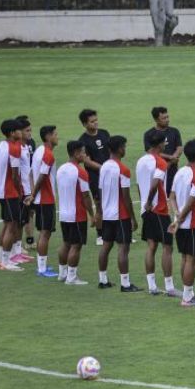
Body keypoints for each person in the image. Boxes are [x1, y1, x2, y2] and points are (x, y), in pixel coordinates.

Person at [136, 131, 179, 297]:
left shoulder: (140, 161)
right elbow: (155, 184)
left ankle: (152, 286)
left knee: (151, 246)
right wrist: (149, 201)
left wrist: (143, 204)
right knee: (167, 247)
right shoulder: (160, 162)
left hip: (146, 210)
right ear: (160, 144)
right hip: (158, 209)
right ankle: (169, 287)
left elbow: (140, 185)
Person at [168, 139, 195, 307]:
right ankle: (187, 298)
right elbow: (192, 202)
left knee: (185, 258)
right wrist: (181, 217)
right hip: (194, 224)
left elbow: (171, 197)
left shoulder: (180, 172)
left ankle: (188, 293)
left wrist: (176, 215)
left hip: (182, 224)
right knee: (192, 260)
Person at [97, 135, 141, 292]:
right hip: (121, 215)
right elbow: (126, 196)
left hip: (108, 214)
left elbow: (100, 191)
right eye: (124, 146)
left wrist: (101, 212)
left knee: (106, 246)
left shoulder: (104, 167)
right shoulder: (123, 170)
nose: (125, 149)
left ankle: (102, 280)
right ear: (120, 148)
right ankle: (125, 284)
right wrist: (133, 218)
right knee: (123, 248)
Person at [56, 140, 99, 286]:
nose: (85, 155)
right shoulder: (81, 172)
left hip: (63, 213)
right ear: (75, 153)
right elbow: (86, 195)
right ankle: (72, 277)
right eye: (83, 152)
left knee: (66, 243)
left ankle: (62, 274)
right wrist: (92, 216)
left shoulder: (61, 169)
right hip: (77, 214)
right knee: (76, 245)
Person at [0, 119, 26, 271]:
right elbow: (16, 176)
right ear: (12, 133)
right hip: (10, 192)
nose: (21, 133)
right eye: (19, 130)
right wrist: (20, 192)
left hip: (1, 191)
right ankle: (5, 261)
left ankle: (2, 259)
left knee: (6, 225)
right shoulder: (14, 149)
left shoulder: (0, 145)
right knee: (11, 226)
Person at [78, 109, 111, 245]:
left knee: (113, 202)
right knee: (99, 204)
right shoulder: (83, 140)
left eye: (96, 120)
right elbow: (86, 161)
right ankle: (99, 235)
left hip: (109, 173)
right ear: (85, 124)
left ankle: (113, 232)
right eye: (92, 121)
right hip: (95, 176)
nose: (95, 123)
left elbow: (111, 151)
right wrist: (104, 168)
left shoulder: (104, 133)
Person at [31, 125, 59, 277]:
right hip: (45, 199)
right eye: (55, 134)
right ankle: (41, 269)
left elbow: (31, 174)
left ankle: (42, 267)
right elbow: (42, 177)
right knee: (45, 233)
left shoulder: (38, 151)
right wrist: (33, 194)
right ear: (48, 137)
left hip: (40, 198)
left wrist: (32, 194)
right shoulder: (48, 154)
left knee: (43, 232)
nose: (57, 137)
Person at [143, 106, 183, 196]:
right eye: (164, 118)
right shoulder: (149, 134)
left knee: (172, 196)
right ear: (156, 120)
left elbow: (179, 147)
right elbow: (150, 152)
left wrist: (174, 157)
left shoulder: (174, 131)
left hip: (173, 171)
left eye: (167, 117)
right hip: (156, 171)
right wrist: (170, 158)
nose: (167, 120)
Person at [15, 116, 35, 256]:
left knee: (28, 215)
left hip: (29, 187)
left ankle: (26, 242)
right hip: (21, 188)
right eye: (27, 130)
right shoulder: (16, 147)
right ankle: (16, 247)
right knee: (18, 219)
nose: (30, 133)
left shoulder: (30, 143)